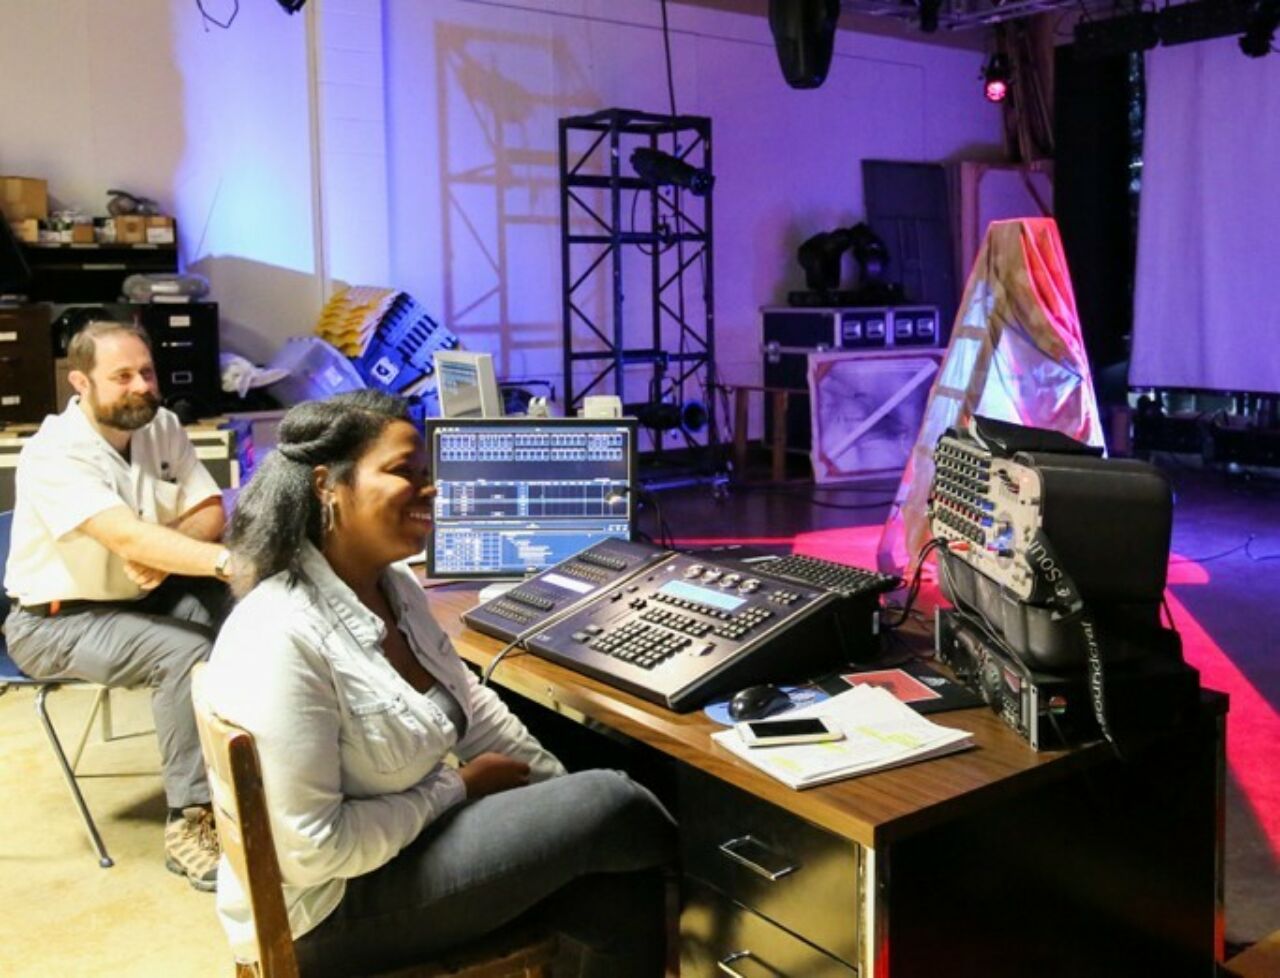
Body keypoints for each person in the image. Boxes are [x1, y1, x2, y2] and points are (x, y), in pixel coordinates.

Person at [198, 391, 675, 978]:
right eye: (404, 473)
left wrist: (556, 801)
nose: (429, 491)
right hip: (327, 911)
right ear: (327, 486)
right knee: (617, 801)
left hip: (389, 856)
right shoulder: (282, 634)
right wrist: (458, 788)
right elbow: (315, 851)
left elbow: (475, 710)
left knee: (617, 886)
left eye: (427, 475)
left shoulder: (393, 587)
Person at [3, 319, 233, 890]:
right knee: (184, 654)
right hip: (54, 622)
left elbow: (210, 509)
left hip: (139, 596)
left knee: (242, 615)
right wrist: (224, 560)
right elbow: (127, 537)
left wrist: (167, 547)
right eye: (122, 376)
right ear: (80, 382)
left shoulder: (163, 426)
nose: (141, 386)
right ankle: (189, 823)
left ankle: (253, 780)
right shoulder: (53, 453)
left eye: (147, 372)